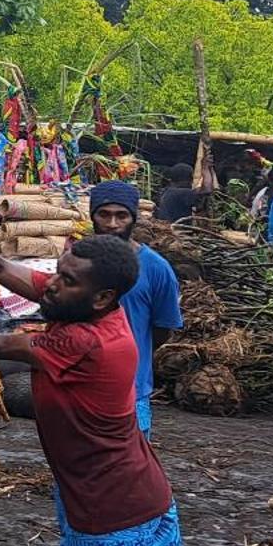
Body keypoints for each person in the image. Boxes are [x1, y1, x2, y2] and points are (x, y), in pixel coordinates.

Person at [0, 196, 182, 546]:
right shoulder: (77, 301)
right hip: (106, 500)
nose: (51, 284)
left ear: (102, 297)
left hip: (118, 516)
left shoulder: (89, 341)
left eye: (65, 280)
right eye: (55, 271)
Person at [86, 181, 184, 435]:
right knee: (75, 468)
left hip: (130, 391)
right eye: (104, 214)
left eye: (121, 215)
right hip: (79, 387)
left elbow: (163, 329)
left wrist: (129, 353)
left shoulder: (156, 268)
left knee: (128, 469)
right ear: (92, 216)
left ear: (133, 219)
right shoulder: (76, 261)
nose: (112, 224)